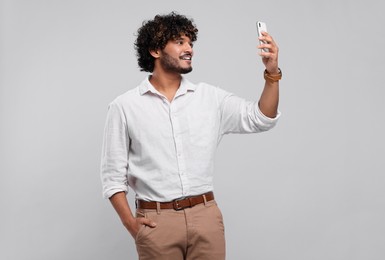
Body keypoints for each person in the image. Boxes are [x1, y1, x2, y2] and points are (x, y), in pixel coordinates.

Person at [101, 12, 281, 260]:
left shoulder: (209, 98)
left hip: (206, 217)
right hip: (157, 222)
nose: (189, 49)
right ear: (155, 50)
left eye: (190, 43)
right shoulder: (124, 106)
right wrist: (131, 225)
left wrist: (272, 73)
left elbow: (261, 118)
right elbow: (112, 178)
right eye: (179, 42)